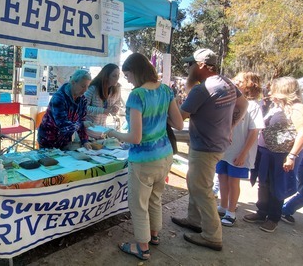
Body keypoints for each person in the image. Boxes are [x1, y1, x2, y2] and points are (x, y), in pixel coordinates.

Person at [106, 53, 183, 260]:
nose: (126, 79)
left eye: (127, 74)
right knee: (155, 199)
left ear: (136, 71)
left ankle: (142, 248)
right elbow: (179, 124)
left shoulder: (137, 95)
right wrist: (159, 114)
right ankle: (154, 236)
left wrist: (113, 133)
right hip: (165, 155)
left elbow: (135, 137)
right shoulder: (166, 90)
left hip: (143, 161)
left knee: (138, 205)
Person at [171, 48, 248, 251]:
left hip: (205, 146)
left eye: (191, 64)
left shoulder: (201, 89)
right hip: (216, 143)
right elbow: (243, 104)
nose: (188, 68)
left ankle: (212, 235)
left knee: (202, 189)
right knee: (196, 183)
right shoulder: (227, 83)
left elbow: (178, 120)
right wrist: (231, 126)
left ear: (202, 65)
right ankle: (194, 220)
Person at [243, 77, 303, 233]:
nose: (270, 92)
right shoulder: (277, 106)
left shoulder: (298, 108)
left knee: (276, 186)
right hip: (267, 151)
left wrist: (292, 155)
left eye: (274, 89)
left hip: (282, 154)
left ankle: (273, 217)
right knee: (264, 183)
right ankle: (262, 212)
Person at [216, 72, 265, 227]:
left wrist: (243, 153)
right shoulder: (230, 101)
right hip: (224, 149)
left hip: (239, 151)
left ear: (250, 85)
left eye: (239, 81)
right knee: (222, 177)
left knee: (233, 182)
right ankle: (223, 206)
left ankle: (231, 212)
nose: (235, 82)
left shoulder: (254, 106)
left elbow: (254, 131)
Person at [37, 70, 93, 150]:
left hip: (65, 140)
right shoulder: (59, 98)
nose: (85, 90)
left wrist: (84, 140)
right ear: (73, 83)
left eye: (87, 86)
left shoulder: (82, 100)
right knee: (50, 161)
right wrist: (82, 124)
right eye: (83, 86)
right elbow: (63, 125)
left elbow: (82, 120)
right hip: (48, 139)